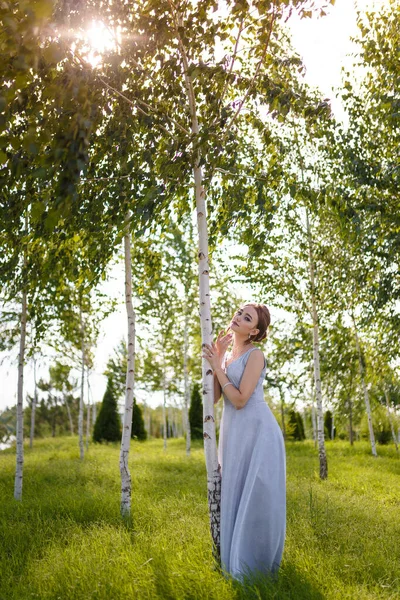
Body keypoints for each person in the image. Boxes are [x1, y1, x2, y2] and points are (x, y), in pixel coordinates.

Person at [202, 303, 286, 580]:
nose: (238, 317)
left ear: (255, 331)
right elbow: (215, 398)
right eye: (239, 312)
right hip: (234, 434)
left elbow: (239, 400)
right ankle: (234, 562)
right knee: (235, 493)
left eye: (246, 317)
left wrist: (218, 366)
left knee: (257, 499)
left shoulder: (256, 355)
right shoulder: (226, 358)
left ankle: (257, 568)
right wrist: (220, 359)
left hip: (259, 433)